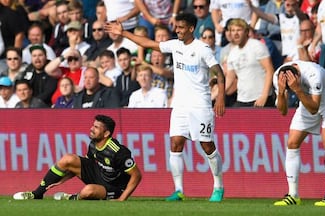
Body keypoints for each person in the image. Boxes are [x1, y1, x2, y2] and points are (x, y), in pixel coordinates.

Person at [105, 12, 226, 201]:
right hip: (180, 105)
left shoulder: (203, 49)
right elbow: (148, 43)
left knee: (207, 145)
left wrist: (220, 99)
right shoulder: (175, 45)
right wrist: (123, 33)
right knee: (175, 144)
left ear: (191, 29)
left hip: (200, 105)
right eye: (176, 26)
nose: (177, 30)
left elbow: (219, 72)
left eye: (181, 27)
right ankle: (178, 190)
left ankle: (218, 187)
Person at [13, 114, 142, 201]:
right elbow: (86, 166)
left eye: (96, 128)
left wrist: (121, 199)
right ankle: (37, 193)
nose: (91, 129)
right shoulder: (94, 143)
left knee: (88, 191)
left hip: (115, 187)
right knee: (68, 159)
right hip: (99, 175)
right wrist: (63, 180)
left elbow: (137, 175)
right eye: (93, 125)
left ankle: (72, 198)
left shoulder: (118, 152)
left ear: (106, 133)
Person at [272, 61, 325, 206]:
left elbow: (314, 108)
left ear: (298, 76)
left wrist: (298, 90)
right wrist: (281, 92)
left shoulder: (313, 74)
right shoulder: (278, 76)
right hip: (307, 100)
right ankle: (293, 195)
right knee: (292, 142)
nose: (290, 90)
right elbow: (283, 111)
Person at [225, 18, 275, 107]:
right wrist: (218, 95)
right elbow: (230, 78)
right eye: (233, 30)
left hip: (260, 99)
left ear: (246, 32)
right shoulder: (232, 53)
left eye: (239, 30)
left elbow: (269, 70)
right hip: (242, 99)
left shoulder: (257, 45)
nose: (235, 33)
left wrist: (264, 96)